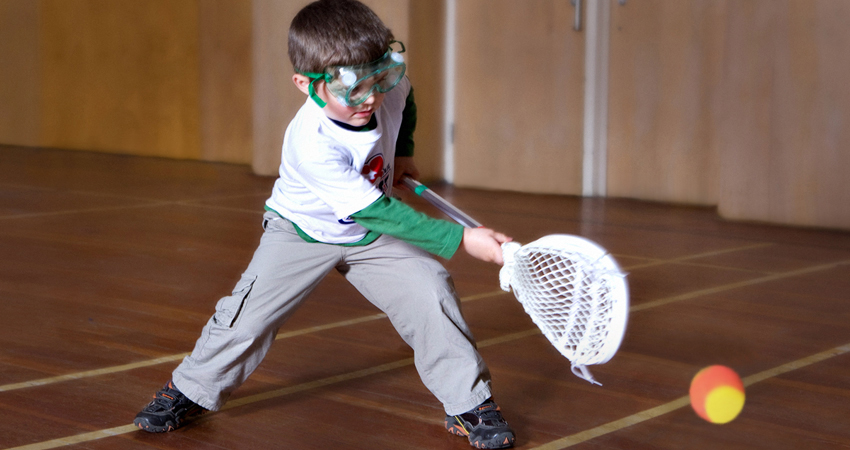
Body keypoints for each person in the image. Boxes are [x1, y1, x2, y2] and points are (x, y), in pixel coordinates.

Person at [133, 0, 516, 448]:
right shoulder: (311, 142)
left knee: (430, 290)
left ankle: (468, 403)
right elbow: (376, 210)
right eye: (352, 89)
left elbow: (405, 101)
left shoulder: (390, 89)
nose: (371, 97)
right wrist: (463, 238)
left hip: (367, 237)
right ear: (306, 84)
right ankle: (190, 390)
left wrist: (405, 150)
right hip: (301, 231)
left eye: (379, 79)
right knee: (246, 319)